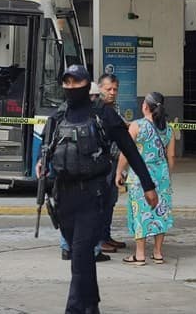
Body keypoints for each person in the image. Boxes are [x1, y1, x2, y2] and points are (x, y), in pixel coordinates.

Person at [36, 64, 158, 314]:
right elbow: (46, 149)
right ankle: (91, 307)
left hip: (93, 196)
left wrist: (148, 186)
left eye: (76, 83)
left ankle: (74, 310)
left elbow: (130, 150)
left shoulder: (103, 115)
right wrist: (41, 163)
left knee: (80, 257)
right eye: (66, 83)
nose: (71, 87)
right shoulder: (57, 116)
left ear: (86, 84)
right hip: (64, 197)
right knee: (81, 258)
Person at [116, 92, 175, 266]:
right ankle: (157, 253)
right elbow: (171, 157)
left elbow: (126, 152)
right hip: (161, 177)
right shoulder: (168, 128)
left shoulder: (137, 126)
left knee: (140, 213)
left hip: (140, 177)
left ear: (145, 106)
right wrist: (167, 176)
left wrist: (119, 171)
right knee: (161, 213)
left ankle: (139, 254)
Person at [58, 82, 110, 262]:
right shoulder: (91, 118)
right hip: (85, 173)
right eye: (95, 97)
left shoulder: (63, 112)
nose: (96, 100)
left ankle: (67, 248)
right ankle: (93, 251)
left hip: (65, 172)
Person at [97, 73, 127, 254]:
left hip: (114, 163)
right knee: (100, 202)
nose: (112, 92)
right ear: (100, 88)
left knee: (110, 202)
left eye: (115, 89)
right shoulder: (96, 109)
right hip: (102, 163)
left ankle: (106, 236)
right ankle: (99, 240)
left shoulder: (115, 108)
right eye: (109, 89)